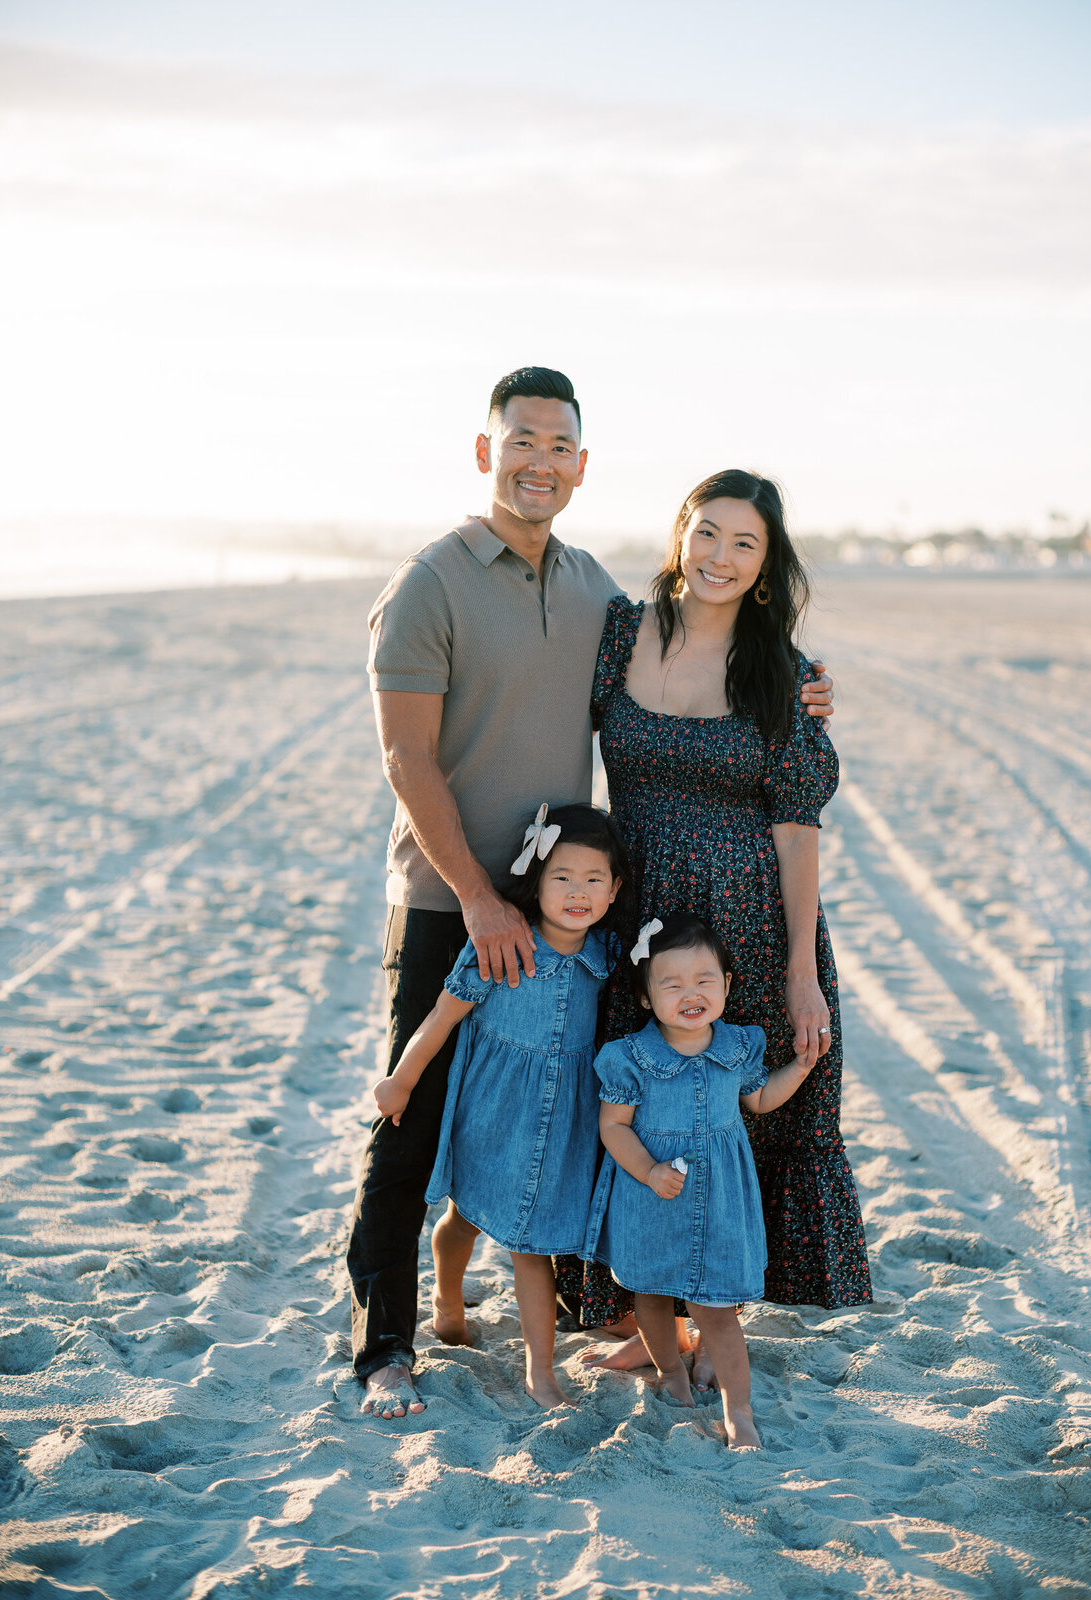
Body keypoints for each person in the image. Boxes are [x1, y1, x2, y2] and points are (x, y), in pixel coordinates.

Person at [347, 368, 836, 1421]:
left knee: (616, 1110)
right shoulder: (432, 583)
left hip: (583, 915)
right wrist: (480, 896)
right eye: (522, 441)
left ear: (580, 463)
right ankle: (384, 1343)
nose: (541, 462)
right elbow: (406, 757)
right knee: (417, 1119)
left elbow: (725, 669)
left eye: (560, 446)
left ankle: (640, 1318)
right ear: (489, 452)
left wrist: (804, 683)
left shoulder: (590, 596)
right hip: (456, 902)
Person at [561, 467, 871, 1385]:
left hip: (745, 929)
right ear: (679, 535)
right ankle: (642, 1309)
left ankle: (704, 1316)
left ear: (768, 566)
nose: (720, 557)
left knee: (726, 1119)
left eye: (746, 543)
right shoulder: (620, 632)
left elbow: (797, 825)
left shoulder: (785, 674)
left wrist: (802, 972)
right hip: (637, 908)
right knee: (635, 1102)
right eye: (707, 533)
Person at [370, 805, 631, 1408]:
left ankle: (539, 1372)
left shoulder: (610, 958)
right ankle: (448, 1300)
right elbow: (439, 1019)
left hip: (564, 1122)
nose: (577, 892)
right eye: (562, 876)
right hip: (493, 1112)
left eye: (595, 880)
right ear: (534, 880)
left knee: (532, 1244)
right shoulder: (501, 945)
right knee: (466, 1216)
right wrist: (401, 1080)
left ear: (615, 890)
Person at [584, 915, 818, 1449]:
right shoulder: (629, 1058)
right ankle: (669, 1369)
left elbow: (757, 1101)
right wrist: (647, 1169)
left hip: (719, 1198)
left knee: (718, 1310)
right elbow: (612, 1125)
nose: (691, 994)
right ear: (646, 998)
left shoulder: (737, 1047)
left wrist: (800, 1070)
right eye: (672, 984)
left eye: (704, 980)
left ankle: (739, 1411)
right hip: (652, 1194)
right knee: (649, 1292)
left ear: (727, 985)